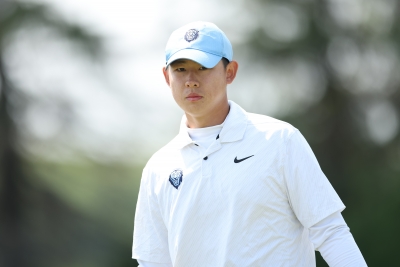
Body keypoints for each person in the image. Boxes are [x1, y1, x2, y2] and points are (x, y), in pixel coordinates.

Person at [132, 21, 367, 267]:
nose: (191, 80)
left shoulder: (279, 141)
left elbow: (329, 231)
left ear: (230, 72)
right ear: (166, 77)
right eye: (180, 70)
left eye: (203, 67)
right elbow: (154, 262)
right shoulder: (157, 169)